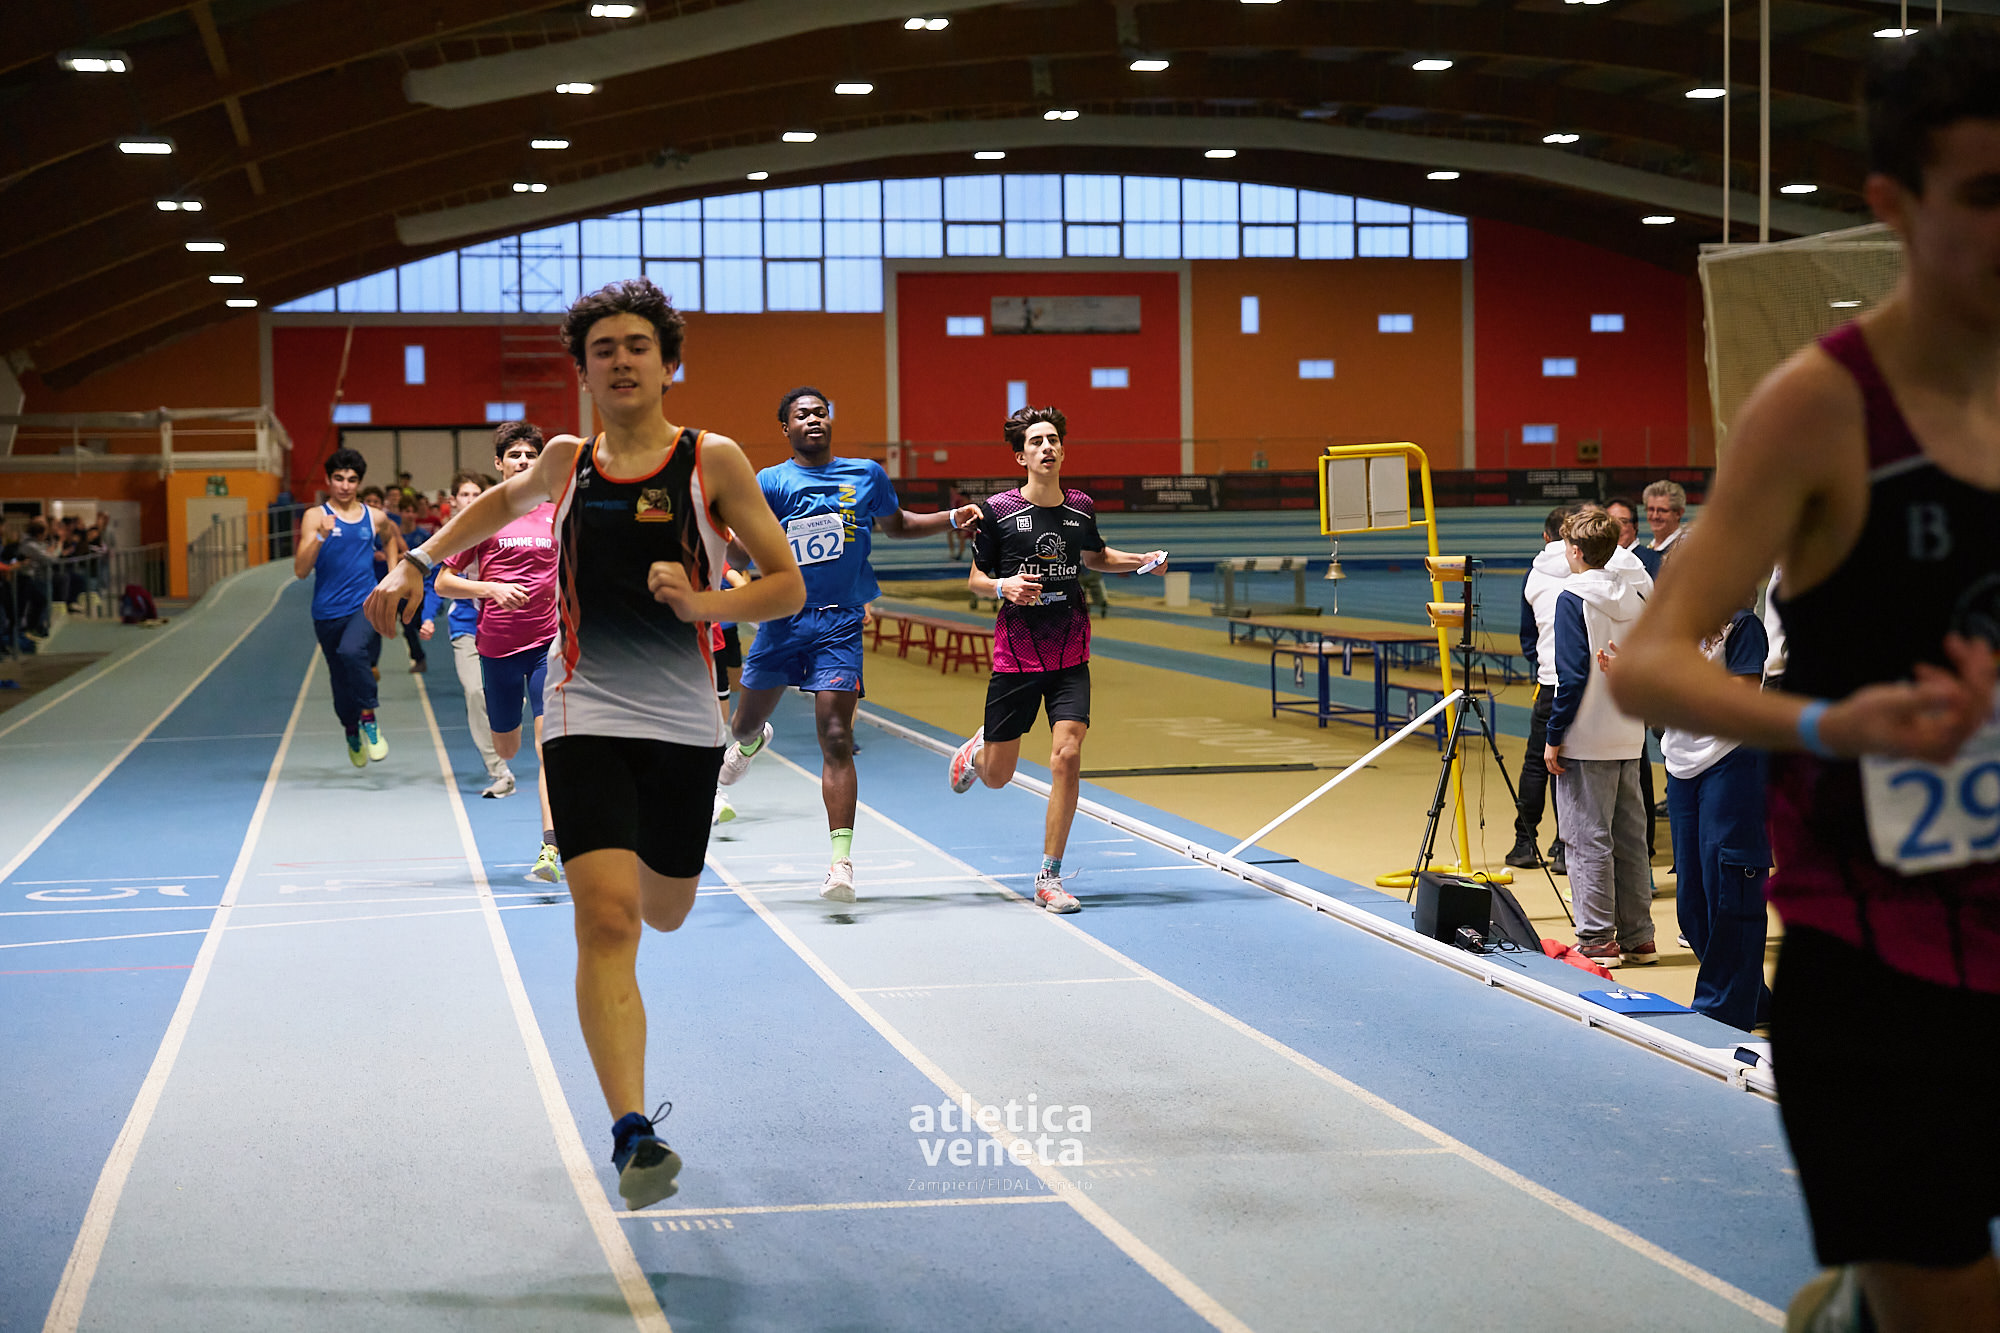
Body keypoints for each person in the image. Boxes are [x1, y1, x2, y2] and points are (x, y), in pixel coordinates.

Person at [1610, 25, 2000, 1333]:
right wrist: (1833, 721)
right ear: (1892, 204)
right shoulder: (1819, 410)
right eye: (1983, 195)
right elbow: (1650, 664)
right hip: (1880, 959)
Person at [367, 276, 804, 1211]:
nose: (620, 360)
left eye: (637, 345)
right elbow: (497, 505)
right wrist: (418, 562)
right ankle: (632, 1131)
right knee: (606, 921)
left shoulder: (712, 459)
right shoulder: (566, 461)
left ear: (668, 363)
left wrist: (703, 602)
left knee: (666, 909)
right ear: (584, 371)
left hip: (683, 718)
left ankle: (647, 870)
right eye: (602, 348)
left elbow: (786, 586)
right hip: (584, 710)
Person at [715, 386, 979, 903]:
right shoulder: (770, 481)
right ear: (786, 428)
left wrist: (951, 518)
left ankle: (841, 864)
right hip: (782, 621)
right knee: (742, 725)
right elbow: (740, 553)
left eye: (820, 412)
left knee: (836, 736)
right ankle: (750, 742)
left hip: (839, 622)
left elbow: (897, 525)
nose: (813, 419)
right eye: (801, 415)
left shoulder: (865, 475)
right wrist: (730, 543)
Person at [947, 405, 1167, 913]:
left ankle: (1049, 876)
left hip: (1070, 649)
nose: (1047, 447)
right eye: (1036, 442)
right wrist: (1004, 585)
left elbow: (1095, 556)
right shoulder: (997, 511)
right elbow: (976, 579)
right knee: (998, 776)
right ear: (1020, 456)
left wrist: (1141, 561)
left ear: (1063, 450)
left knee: (1067, 756)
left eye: (1053, 440)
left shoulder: (1081, 508)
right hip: (1017, 655)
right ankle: (976, 754)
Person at [432, 423, 563, 881]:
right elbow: (443, 582)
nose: (523, 462)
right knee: (507, 746)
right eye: (515, 455)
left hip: (547, 644)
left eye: (531, 455)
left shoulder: (556, 512)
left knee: (550, 749)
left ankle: (550, 847)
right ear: (499, 463)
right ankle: (511, 720)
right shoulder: (485, 515)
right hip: (498, 648)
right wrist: (491, 589)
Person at [1544, 508, 1654, 966]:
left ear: (1574, 550)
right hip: (1628, 732)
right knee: (1630, 837)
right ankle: (1639, 935)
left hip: (1586, 736)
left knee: (1586, 837)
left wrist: (1554, 735)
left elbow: (1571, 677)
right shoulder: (1636, 595)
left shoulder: (1572, 598)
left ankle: (1595, 938)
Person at [1658, 605, 1771, 1030]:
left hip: (1731, 759)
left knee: (1728, 889)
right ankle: (1752, 999)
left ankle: (1720, 1010)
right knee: (1692, 901)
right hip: (1682, 766)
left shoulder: (1742, 626)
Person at [293, 448, 400, 767]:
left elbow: (390, 538)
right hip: (326, 611)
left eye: (351, 480)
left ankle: (369, 718)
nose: (344, 485)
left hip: (365, 604)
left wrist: (392, 576)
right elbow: (301, 570)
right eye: (338, 479)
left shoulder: (374, 516)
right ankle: (351, 729)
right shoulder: (315, 516)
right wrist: (320, 536)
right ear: (328, 480)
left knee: (352, 652)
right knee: (340, 680)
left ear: (359, 483)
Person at [435, 470, 514, 799]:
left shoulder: (502, 528)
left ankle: (509, 699)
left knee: (505, 694)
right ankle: (499, 771)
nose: (470, 500)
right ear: (453, 500)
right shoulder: (448, 536)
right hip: (466, 624)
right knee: (474, 692)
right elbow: (434, 579)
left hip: (504, 623)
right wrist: (426, 616)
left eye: (475, 494)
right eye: (464, 495)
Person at [1604, 496, 1661, 578]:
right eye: (1610, 522)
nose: (1616, 528)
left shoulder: (1654, 560)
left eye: (1623, 521)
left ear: (1635, 526)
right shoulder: (1597, 561)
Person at [1642, 480, 1688, 565]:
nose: (1655, 516)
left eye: (1662, 510)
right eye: (1651, 509)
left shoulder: (1685, 549)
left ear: (1679, 513)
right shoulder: (1648, 549)